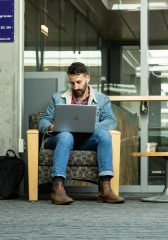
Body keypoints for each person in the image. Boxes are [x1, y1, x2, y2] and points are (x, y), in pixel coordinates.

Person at [39, 62, 125, 205]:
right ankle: (57, 189)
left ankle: (105, 188)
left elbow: (111, 121)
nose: (75, 87)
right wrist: (51, 126)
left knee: (104, 135)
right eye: (72, 83)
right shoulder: (57, 97)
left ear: (87, 78)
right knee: (66, 136)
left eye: (79, 82)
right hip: (61, 139)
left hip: (87, 139)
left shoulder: (102, 99)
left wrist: (92, 126)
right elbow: (43, 120)